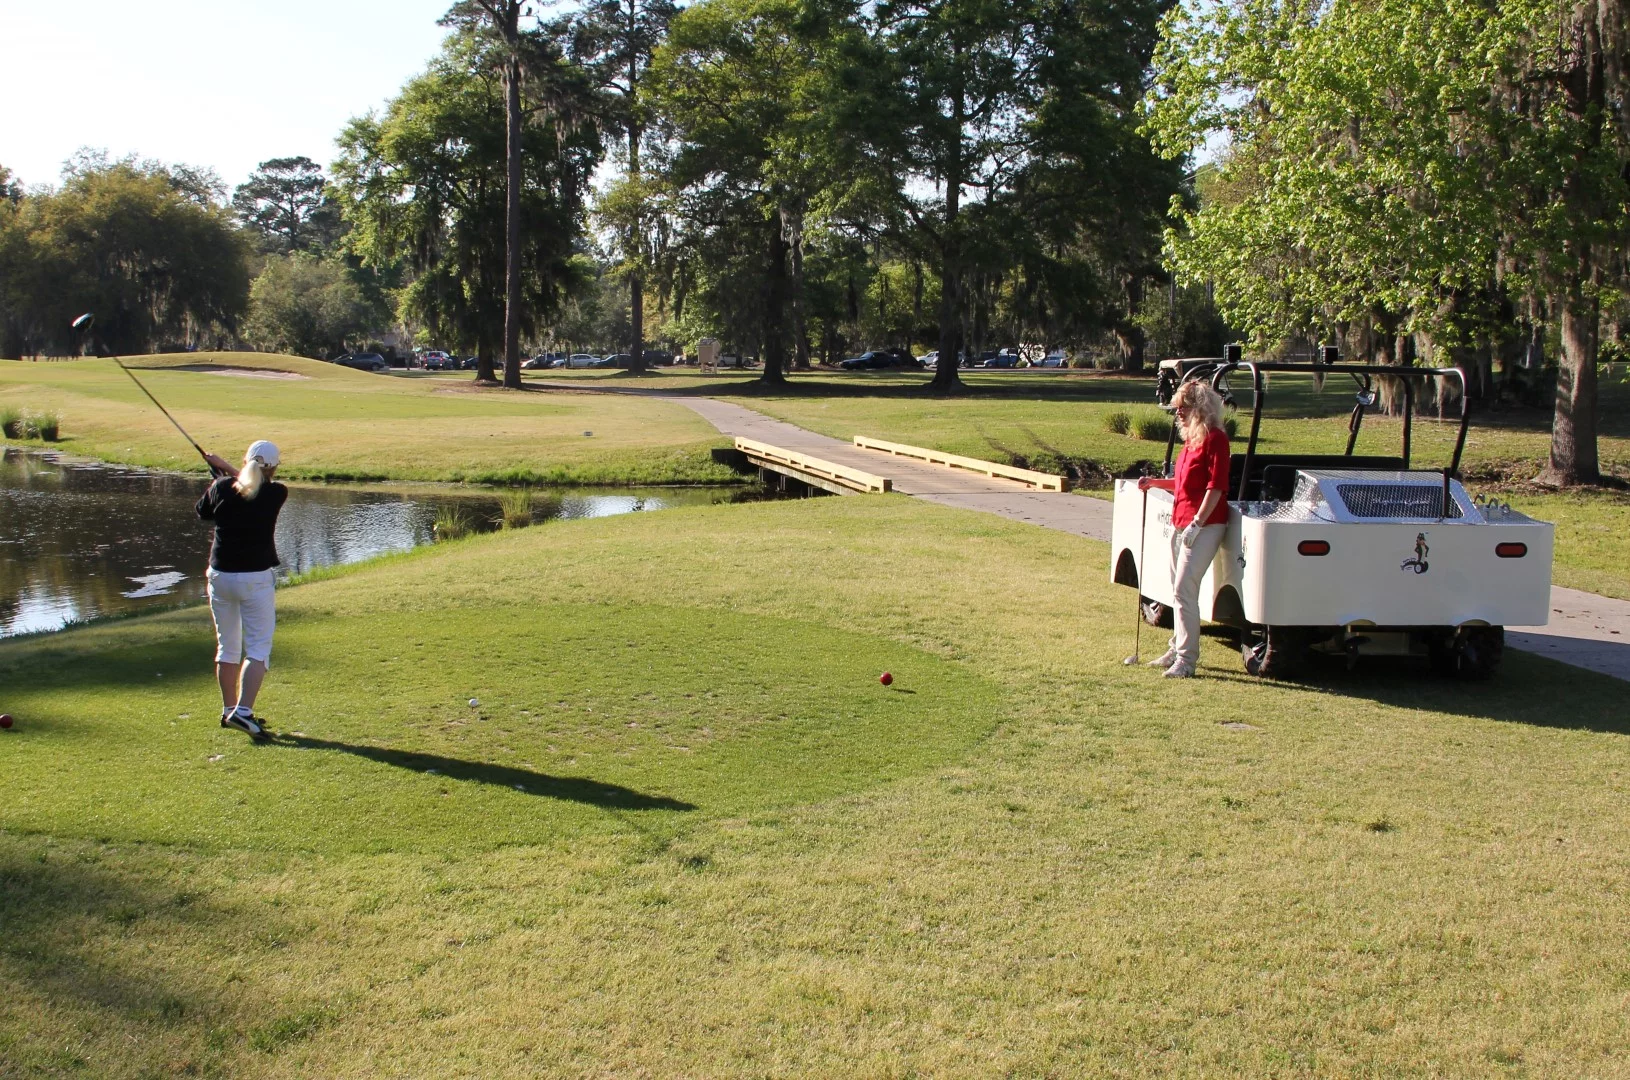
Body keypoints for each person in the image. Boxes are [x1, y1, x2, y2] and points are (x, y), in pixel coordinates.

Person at [1137, 381, 1231, 678]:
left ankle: (1186, 659)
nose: (1178, 412)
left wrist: (1198, 522)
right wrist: (1154, 483)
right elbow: (1183, 483)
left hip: (1205, 524)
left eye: (1183, 407)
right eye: (1177, 407)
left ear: (1199, 408)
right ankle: (1177, 647)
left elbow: (1216, 486)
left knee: (1184, 589)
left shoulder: (1216, 439)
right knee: (1177, 591)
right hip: (1181, 522)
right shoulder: (1191, 441)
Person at [196, 440, 287, 740]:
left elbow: (203, 511)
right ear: (273, 468)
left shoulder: (222, 487)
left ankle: (229, 710)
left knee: (228, 646)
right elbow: (251, 486)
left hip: (220, 576)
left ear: (246, 461)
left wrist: (220, 475)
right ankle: (243, 713)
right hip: (255, 579)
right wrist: (226, 471)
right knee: (258, 648)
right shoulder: (277, 492)